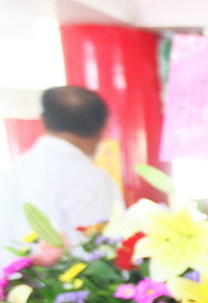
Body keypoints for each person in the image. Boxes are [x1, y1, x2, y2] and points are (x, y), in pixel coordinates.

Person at [0, 85, 120, 263]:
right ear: (102, 129)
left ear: (43, 120)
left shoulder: (10, 173)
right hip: (70, 280)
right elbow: (105, 251)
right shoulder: (93, 179)